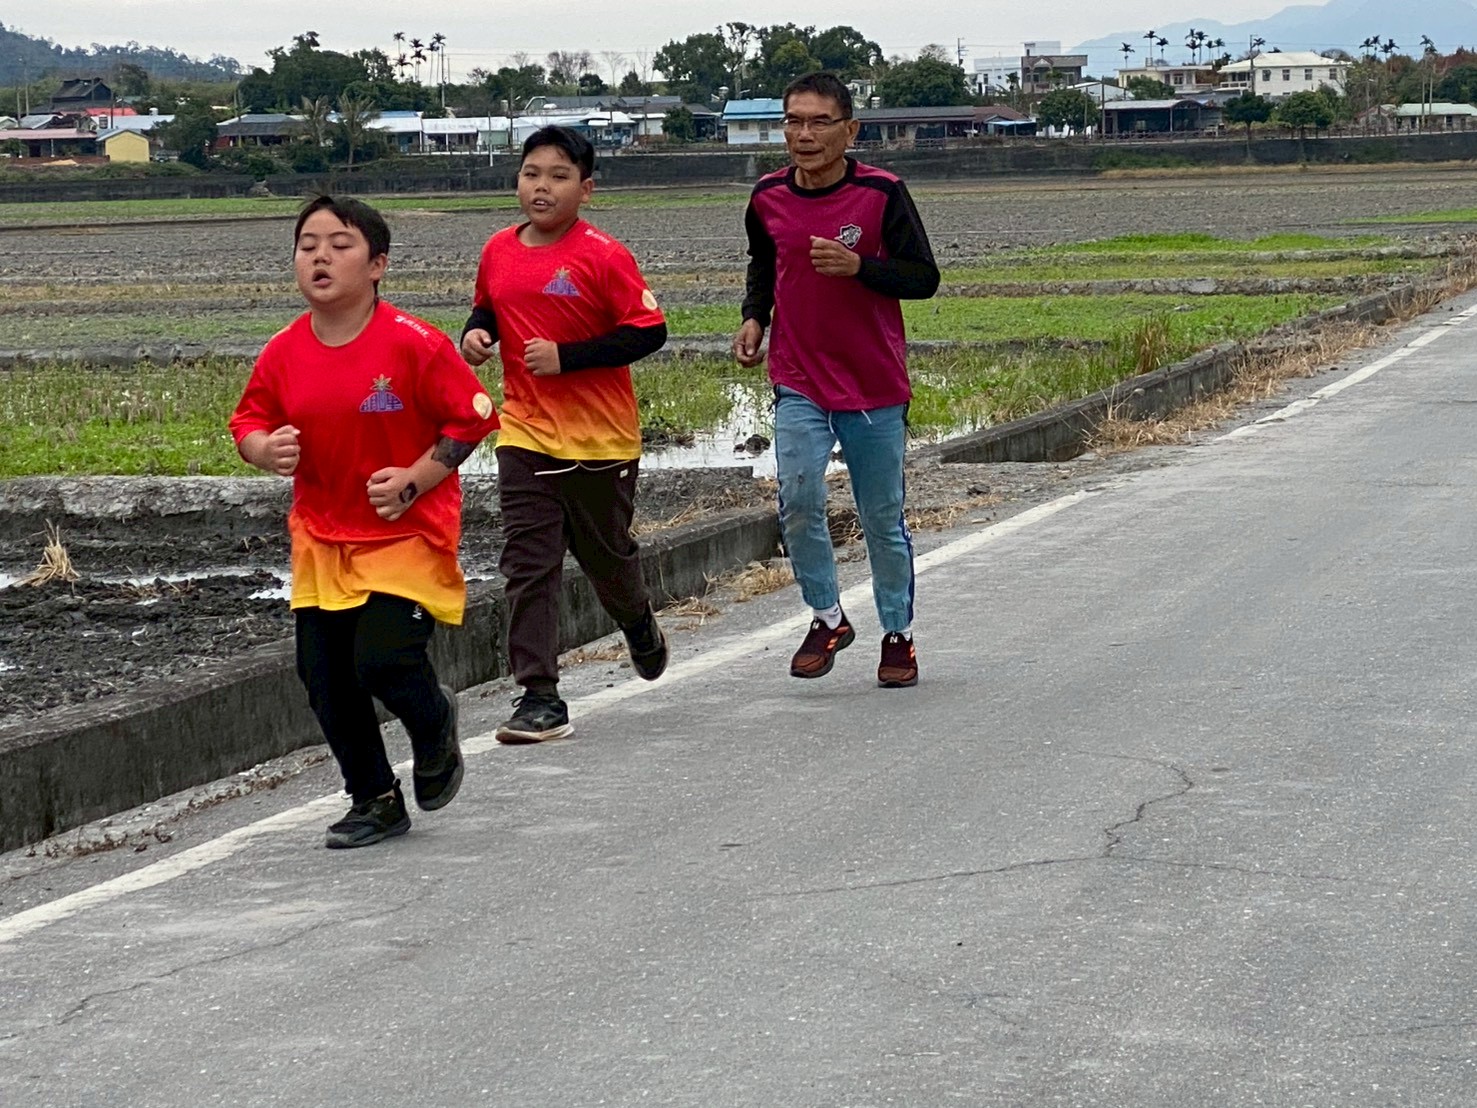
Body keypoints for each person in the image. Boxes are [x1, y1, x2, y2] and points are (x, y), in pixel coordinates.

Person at [230, 195, 499, 849]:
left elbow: (472, 418)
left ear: (377, 264)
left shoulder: (414, 343)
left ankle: (432, 720)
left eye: (339, 244)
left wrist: (416, 479)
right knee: (323, 677)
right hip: (322, 537)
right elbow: (249, 421)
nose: (320, 257)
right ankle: (374, 798)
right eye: (307, 246)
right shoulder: (283, 351)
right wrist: (263, 449)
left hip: (406, 533)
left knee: (381, 659)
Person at [460, 125, 670, 744]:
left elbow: (649, 331)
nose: (542, 187)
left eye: (558, 176)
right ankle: (540, 696)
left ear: (586, 188)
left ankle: (637, 622)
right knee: (529, 565)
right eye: (531, 173)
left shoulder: (603, 254)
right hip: (524, 432)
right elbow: (488, 306)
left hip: (601, 441)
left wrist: (568, 358)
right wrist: (477, 334)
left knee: (607, 559)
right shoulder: (498, 249)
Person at [733, 71, 941, 690]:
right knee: (798, 501)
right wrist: (754, 317)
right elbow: (765, 262)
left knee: (881, 518)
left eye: (819, 122)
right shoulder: (767, 196)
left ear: (849, 130)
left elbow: (923, 278)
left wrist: (859, 267)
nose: (804, 134)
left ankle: (897, 633)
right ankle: (827, 617)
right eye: (793, 121)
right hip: (798, 377)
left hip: (873, 383)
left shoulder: (881, 193)